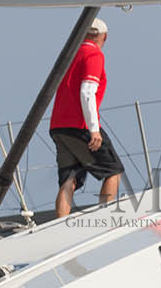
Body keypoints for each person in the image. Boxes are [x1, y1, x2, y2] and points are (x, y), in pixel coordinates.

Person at [49, 17, 123, 218]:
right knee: (113, 171)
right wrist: (94, 129)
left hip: (58, 125)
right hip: (80, 125)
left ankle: (61, 224)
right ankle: (104, 218)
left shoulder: (70, 54)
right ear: (104, 37)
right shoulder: (93, 54)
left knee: (68, 179)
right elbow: (87, 92)